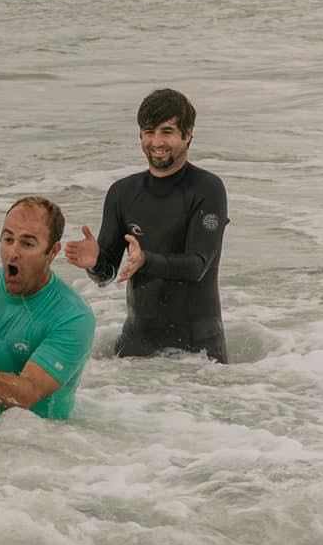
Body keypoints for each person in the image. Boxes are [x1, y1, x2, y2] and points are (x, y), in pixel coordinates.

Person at [64, 88, 229, 362]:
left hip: (198, 354)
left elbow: (197, 265)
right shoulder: (122, 193)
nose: (156, 141)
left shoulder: (207, 189)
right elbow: (107, 274)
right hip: (136, 348)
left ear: (188, 134)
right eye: (149, 131)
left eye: (167, 131)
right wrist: (94, 263)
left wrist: (145, 260)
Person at [0, 196, 96, 425]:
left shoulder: (73, 317)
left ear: (53, 252)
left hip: (33, 447)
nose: (13, 252)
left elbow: (26, 394)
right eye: (8, 239)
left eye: (27, 243)